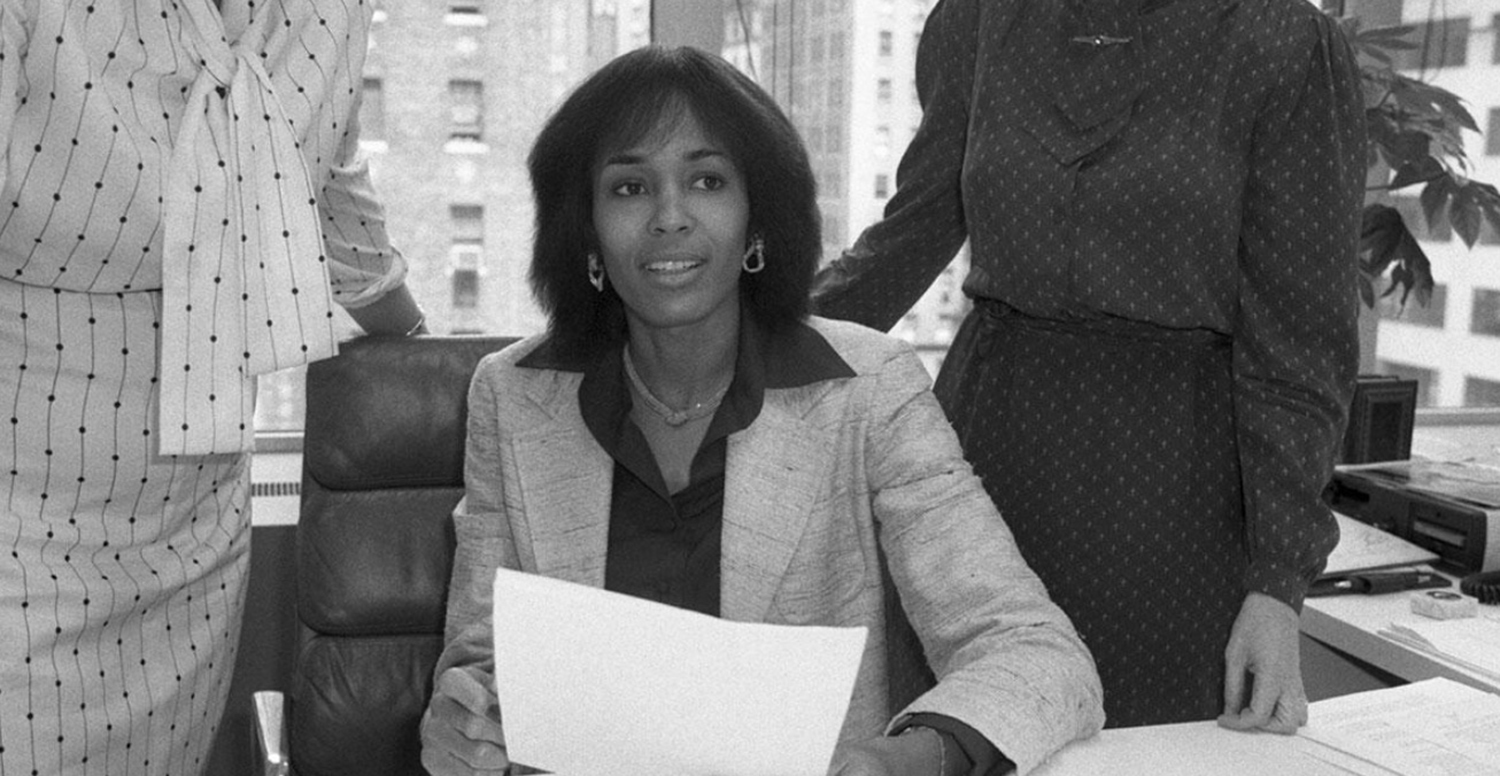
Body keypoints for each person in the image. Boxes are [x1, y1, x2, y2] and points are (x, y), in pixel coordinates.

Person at [419, 45, 1103, 776]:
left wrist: (899, 761)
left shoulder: (868, 390)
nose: (670, 218)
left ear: (756, 220)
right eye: (628, 188)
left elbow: (1039, 657)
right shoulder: (513, 395)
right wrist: (460, 724)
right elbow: (482, 659)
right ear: (584, 230)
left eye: (707, 180)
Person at [811, 0, 1367, 731]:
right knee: (958, 734)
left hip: (1175, 496)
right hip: (982, 465)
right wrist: (743, 343)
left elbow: (1300, 338)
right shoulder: (975, 23)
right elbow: (911, 235)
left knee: (1140, 745)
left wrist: (1277, 583)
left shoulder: (1281, 41)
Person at [0, 1, 425, 773]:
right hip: (18, 520)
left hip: (195, 531)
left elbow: (330, 190)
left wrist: (441, 355)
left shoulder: (331, 11)